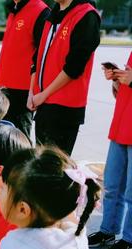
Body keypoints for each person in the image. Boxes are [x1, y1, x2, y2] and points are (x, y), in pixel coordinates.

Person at [28, 0, 100, 156]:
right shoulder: (52, 15)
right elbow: (37, 58)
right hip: (43, 104)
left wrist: (43, 94)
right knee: (40, 164)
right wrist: (31, 93)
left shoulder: (86, 15)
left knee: (55, 170)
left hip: (64, 108)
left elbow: (74, 67)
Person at [89, 53, 132, 249]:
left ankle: (129, 240)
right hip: (122, 126)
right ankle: (108, 229)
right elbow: (123, 94)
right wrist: (117, 79)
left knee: (131, 192)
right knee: (112, 185)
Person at [0, 0, 49, 138]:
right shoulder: (16, 9)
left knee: (19, 139)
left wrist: (33, 90)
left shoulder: (40, 11)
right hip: (5, 87)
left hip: (22, 90)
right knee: (5, 138)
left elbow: (41, 56)